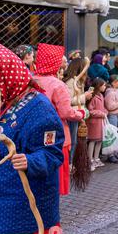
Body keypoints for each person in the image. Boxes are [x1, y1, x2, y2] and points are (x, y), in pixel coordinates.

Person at [0, 36, 67, 234]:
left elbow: (52, 152)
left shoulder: (40, 107)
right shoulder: (7, 101)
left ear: (3, 78)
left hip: (19, 214)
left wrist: (30, 160)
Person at [34, 43, 85, 196]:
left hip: (33, 135)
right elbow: (66, 113)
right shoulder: (57, 84)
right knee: (54, 179)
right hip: (56, 137)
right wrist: (80, 114)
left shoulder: (30, 80)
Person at [62, 57, 93, 165]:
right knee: (72, 140)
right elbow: (69, 100)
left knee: (76, 139)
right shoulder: (71, 81)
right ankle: (69, 163)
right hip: (72, 114)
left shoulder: (78, 81)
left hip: (77, 114)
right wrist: (84, 96)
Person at [86, 78, 108, 172]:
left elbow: (102, 108)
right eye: (103, 85)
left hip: (100, 121)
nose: (105, 87)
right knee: (93, 140)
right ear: (99, 86)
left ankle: (96, 158)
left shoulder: (101, 96)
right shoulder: (93, 97)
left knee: (99, 140)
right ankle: (89, 160)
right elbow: (90, 110)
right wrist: (101, 113)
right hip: (94, 122)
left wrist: (105, 112)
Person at [104, 75, 118, 164]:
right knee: (111, 135)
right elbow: (110, 106)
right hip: (112, 115)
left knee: (115, 135)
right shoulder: (110, 93)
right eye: (117, 82)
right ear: (113, 83)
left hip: (117, 114)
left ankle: (114, 153)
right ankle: (110, 155)